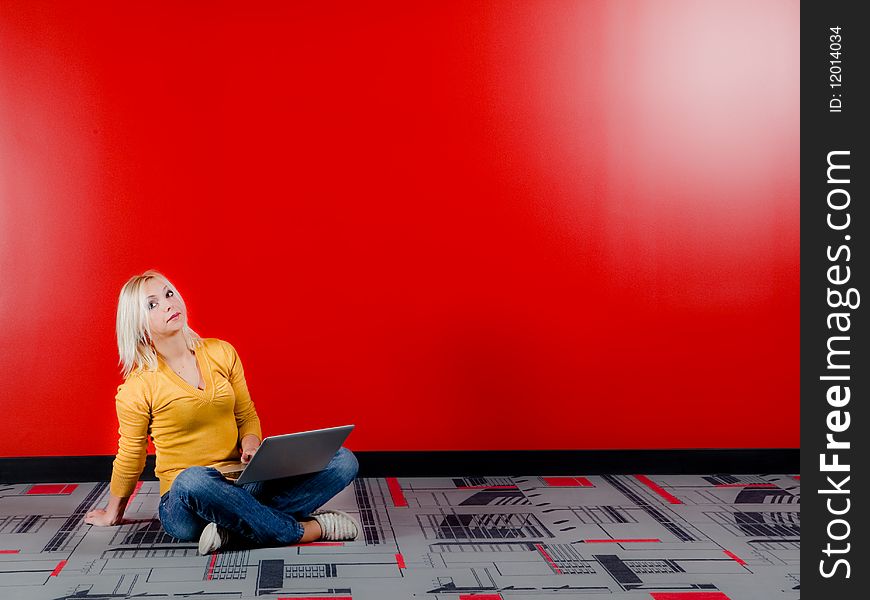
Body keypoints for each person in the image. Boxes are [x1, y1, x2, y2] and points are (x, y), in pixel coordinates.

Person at [84, 270, 360, 554]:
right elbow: (131, 455)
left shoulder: (221, 352)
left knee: (343, 460)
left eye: (169, 294)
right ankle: (307, 530)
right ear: (138, 325)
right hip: (186, 503)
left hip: (243, 484)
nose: (168, 304)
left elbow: (246, 415)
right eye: (152, 304)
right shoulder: (137, 387)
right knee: (192, 478)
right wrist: (112, 512)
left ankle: (233, 530)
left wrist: (252, 445)